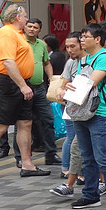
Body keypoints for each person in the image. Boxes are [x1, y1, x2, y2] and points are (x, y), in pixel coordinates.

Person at [0, 4, 49, 181]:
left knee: (25, 123)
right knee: (1, 126)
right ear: (17, 17)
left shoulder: (18, 34)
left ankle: (27, 164)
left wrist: (24, 84)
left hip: (21, 82)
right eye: (24, 16)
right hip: (9, 83)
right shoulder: (6, 33)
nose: (26, 19)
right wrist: (22, 85)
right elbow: (8, 61)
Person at [67, 23, 106, 207]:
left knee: (103, 158)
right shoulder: (83, 59)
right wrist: (66, 87)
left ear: (97, 39)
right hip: (81, 111)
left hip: (98, 112)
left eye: (85, 36)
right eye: (81, 36)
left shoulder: (105, 56)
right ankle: (90, 195)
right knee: (86, 157)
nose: (81, 40)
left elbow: (91, 82)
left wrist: (70, 86)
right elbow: (77, 83)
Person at [50, 32, 84, 199]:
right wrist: (61, 90)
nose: (69, 50)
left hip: (90, 111)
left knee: (86, 146)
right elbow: (62, 84)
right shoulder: (71, 63)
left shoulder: (97, 60)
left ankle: (86, 177)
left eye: (73, 46)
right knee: (73, 141)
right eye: (67, 47)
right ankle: (68, 172)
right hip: (72, 108)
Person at [24, 17, 60, 166]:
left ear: (39, 30)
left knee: (48, 120)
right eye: (29, 26)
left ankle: (51, 154)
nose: (32, 29)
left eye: (35, 27)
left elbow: (47, 63)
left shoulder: (41, 45)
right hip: (24, 87)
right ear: (25, 27)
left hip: (39, 88)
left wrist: (51, 78)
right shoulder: (19, 43)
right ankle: (22, 157)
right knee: (23, 123)